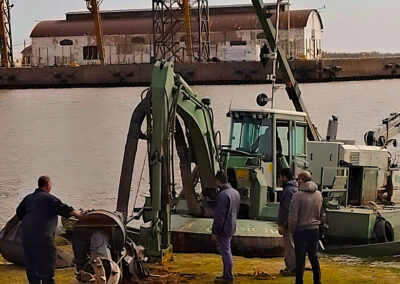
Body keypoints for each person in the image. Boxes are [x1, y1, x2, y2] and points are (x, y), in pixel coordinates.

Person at [16, 176, 83, 284]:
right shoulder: (49, 198)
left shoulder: (28, 198)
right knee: (47, 261)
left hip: (26, 235)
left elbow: (19, 212)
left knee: (31, 262)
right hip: (43, 235)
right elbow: (64, 209)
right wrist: (80, 215)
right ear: (48, 185)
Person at [289, 171, 324, 284]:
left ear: (301, 180)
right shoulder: (318, 194)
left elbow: (293, 215)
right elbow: (322, 214)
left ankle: (299, 281)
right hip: (314, 229)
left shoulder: (297, 195)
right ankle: (317, 280)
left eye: (298, 179)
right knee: (314, 257)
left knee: (300, 258)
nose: (297, 181)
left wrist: (291, 230)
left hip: (301, 230)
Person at [211, 171, 240, 283]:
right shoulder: (235, 193)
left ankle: (228, 276)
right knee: (227, 250)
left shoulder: (223, 196)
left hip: (224, 228)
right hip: (231, 226)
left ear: (218, 181)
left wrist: (215, 232)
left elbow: (219, 217)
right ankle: (227, 274)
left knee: (226, 251)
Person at [277, 168, 297, 276]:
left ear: (284, 177)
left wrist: (281, 224)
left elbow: (285, 209)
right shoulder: (294, 188)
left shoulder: (288, 190)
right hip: (295, 222)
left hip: (288, 222)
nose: (279, 179)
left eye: (280, 177)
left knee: (289, 246)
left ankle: (292, 268)